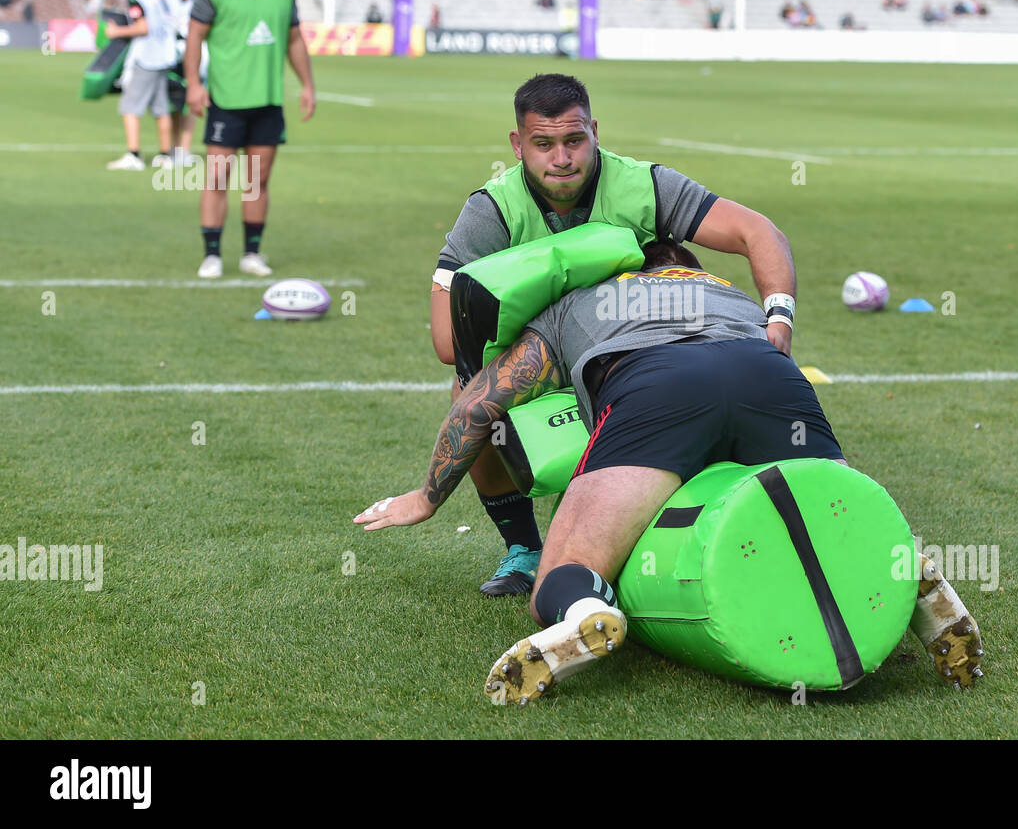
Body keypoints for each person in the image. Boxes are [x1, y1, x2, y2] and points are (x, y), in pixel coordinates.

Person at [357, 240, 985, 704]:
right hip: (767, 373)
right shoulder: (721, 288)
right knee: (832, 508)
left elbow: (477, 404)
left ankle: (580, 614)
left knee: (565, 564)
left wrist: (427, 495)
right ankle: (908, 572)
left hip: (659, 387)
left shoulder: (571, 306)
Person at [427, 75, 797, 598]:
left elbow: (757, 231)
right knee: (468, 388)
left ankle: (661, 527)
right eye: (543, 144)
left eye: (574, 140)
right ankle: (525, 550)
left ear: (595, 132)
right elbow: (448, 343)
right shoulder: (492, 211)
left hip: (633, 358)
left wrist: (778, 318)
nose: (561, 158)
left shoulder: (643, 185)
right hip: (539, 351)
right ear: (517, 144)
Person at [184, 0, 316, 279]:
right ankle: (211, 255)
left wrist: (307, 84)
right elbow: (194, 36)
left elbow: (294, 40)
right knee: (217, 180)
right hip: (226, 102)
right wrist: (194, 84)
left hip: (268, 103)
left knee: (258, 181)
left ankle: (251, 254)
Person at [104, 0, 177, 171]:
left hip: (147, 58)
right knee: (161, 108)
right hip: (163, 56)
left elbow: (143, 27)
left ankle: (133, 154)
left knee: (129, 107)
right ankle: (165, 156)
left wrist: (116, 32)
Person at [164, 0, 204, 165]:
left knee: (190, 102)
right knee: (173, 103)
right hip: (172, 54)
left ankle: (185, 150)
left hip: (195, 54)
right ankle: (173, 147)